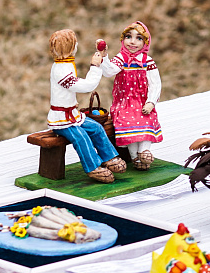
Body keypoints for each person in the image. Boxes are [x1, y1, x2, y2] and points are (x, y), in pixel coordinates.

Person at [47, 29, 126, 183]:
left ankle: (109, 157)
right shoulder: (61, 70)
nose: (77, 46)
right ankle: (93, 167)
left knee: (96, 128)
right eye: (74, 43)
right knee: (81, 137)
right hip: (61, 120)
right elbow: (86, 86)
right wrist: (95, 67)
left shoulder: (66, 64)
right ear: (69, 47)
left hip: (72, 115)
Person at [98, 21, 163, 171]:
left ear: (145, 42)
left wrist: (151, 102)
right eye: (128, 37)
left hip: (142, 102)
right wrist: (104, 57)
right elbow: (109, 71)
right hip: (125, 103)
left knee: (147, 119)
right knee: (127, 122)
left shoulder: (147, 61)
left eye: (139, 38)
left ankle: (144, 151)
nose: (132, 42)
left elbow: (155, 84)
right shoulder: (121, 58)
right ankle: (135, 157)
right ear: (123, 39)